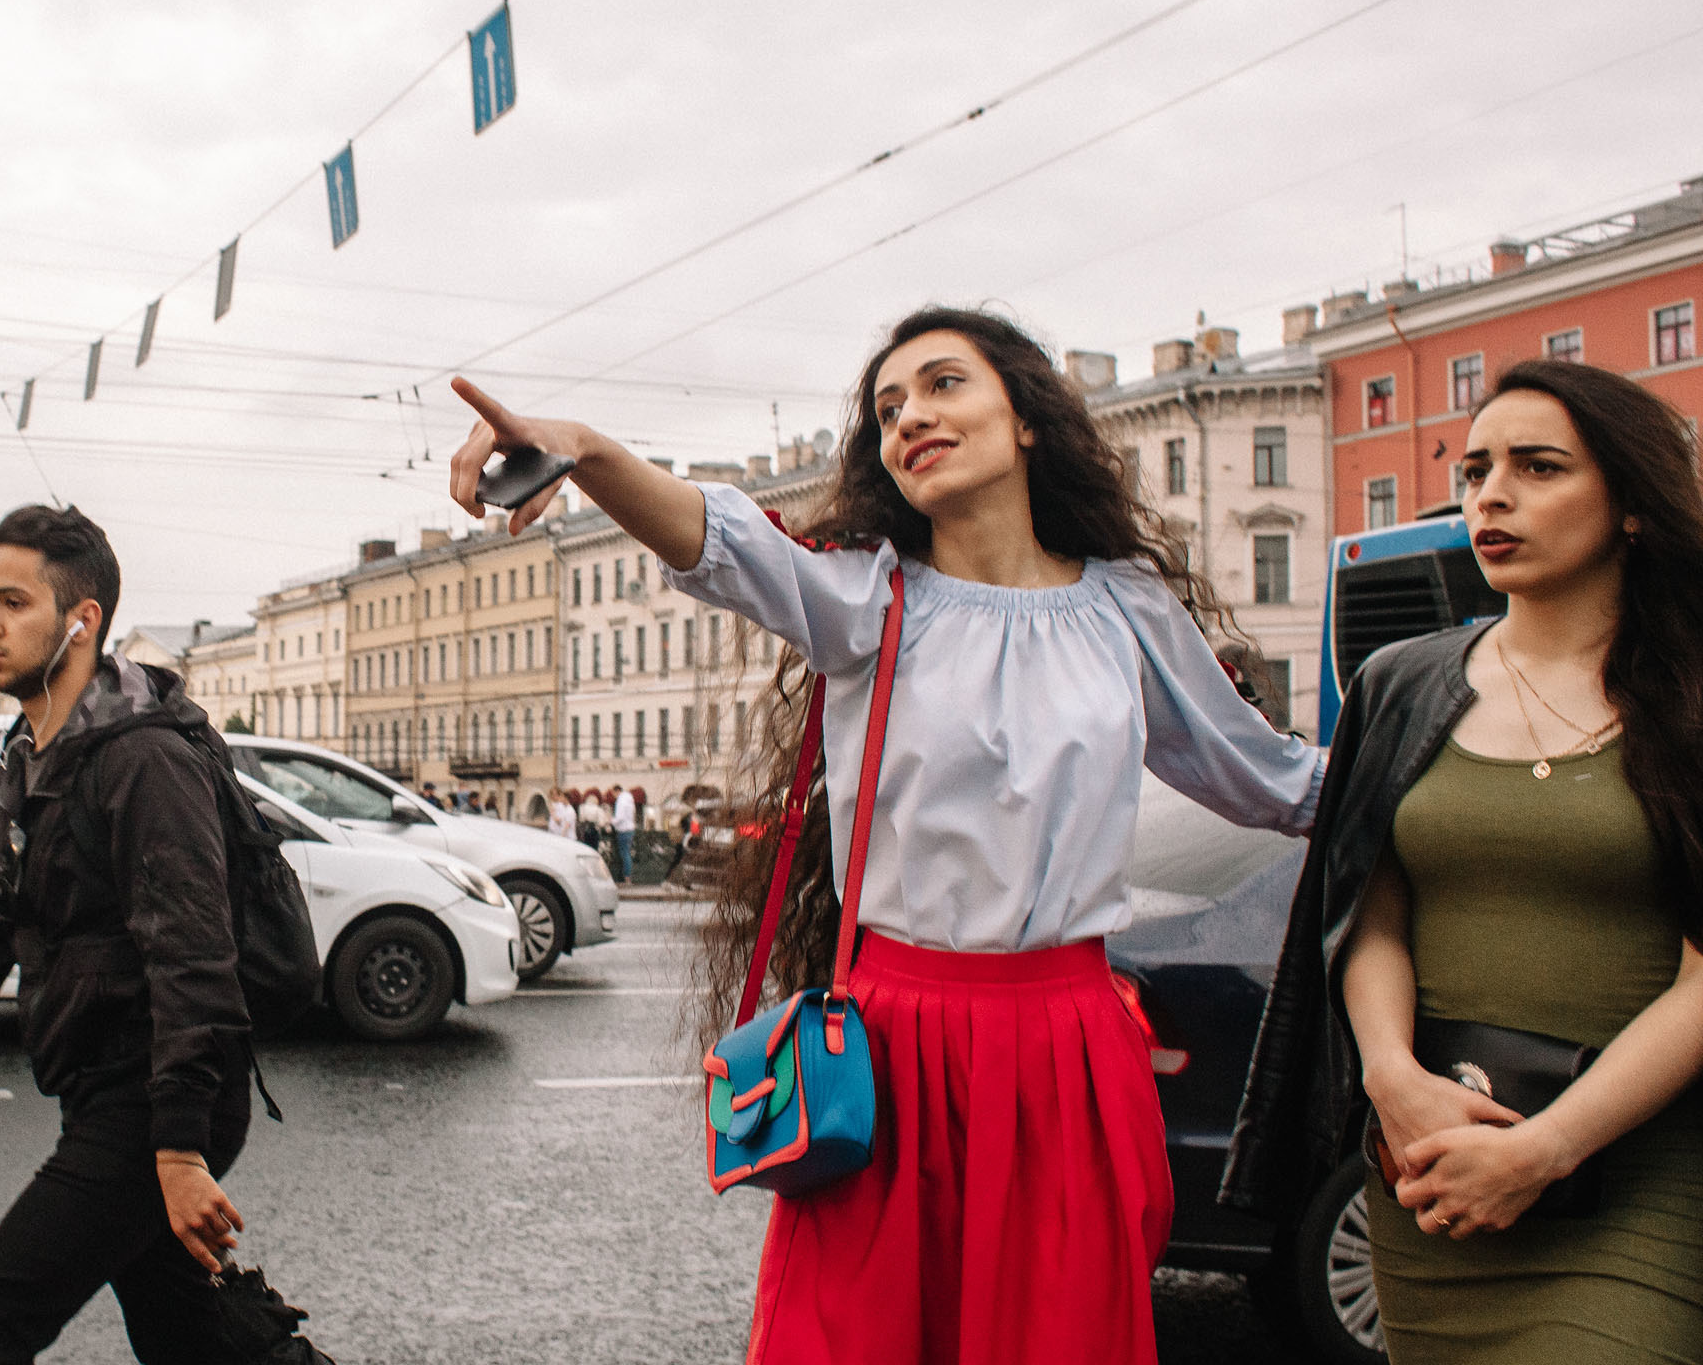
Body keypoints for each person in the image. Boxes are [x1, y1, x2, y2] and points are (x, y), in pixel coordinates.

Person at [448, 307, 1320, 1363]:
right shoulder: (869, 594)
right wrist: (584, 448)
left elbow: (1272, 779)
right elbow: (714, 536)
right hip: (898, 1046)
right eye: (888, 407)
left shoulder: (1126, 609)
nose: (910, 416)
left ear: (1028, 419)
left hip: (1071, 1050)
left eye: (944, 385)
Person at [1227, 360, 1703, 1362]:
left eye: (1538, 468)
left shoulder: (1690, 696)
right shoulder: (1400, 683)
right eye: (1477, 468)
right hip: (1430, 1175)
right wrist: (1393, 1081)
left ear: (1631, 506)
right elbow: (1367, 916)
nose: (1492, 493)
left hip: (1639, 1183)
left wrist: (1546, 1147)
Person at [0, 503, 328, 1365]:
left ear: (81, 619)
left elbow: (194, 958)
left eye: (14, 603)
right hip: (101, 1090)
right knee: (195, 1341)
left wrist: (176, 1149)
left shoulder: (142, 760)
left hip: (157, 1102)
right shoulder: (30, 757)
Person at [609, 784, 636, 884]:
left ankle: (626, 878)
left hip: (623, 830)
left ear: (617, 791)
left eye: (613, 794)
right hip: (630, 829)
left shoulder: (621, 801)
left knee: (624, 854)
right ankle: (628, 877)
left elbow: (619, 818)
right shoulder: (630, 800)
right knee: (627, 854)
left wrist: (610, 821)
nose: (613, 796)